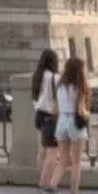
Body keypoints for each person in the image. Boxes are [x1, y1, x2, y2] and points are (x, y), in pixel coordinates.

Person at [41, 57, 89, 194]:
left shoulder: (60, 87)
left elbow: (55, 109)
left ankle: (51, 188)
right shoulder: (80, 88)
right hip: (75, 123)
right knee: (76, 162)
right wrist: (88, 114)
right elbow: (81, 111)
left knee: (63, 159)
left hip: (61, 122)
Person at [31, 47, 60, 180]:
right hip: (50, 116)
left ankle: (41, 178)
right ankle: (46, 181)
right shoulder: (54, 78)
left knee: (41, 151)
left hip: (39, 115)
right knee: (51, 152)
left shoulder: (37, 77)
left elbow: (35, 98)